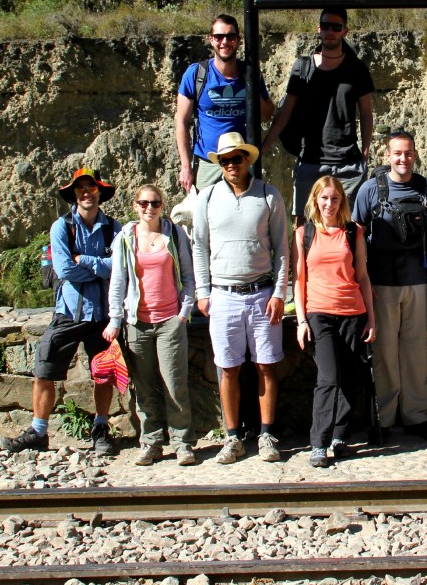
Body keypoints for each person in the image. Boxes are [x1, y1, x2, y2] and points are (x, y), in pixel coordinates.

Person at [4, 168, 123, 455]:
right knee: (44, 370)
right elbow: (64, 269)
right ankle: (39, 431)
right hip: (68, 312)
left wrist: (86, 261)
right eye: (81, 189)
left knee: (103, 374)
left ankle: (101, 427)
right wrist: (100, 268)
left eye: (91, 188)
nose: (86, 193)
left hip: (102, 317)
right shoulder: (62, 227)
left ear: (99, 193)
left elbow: (120, 268)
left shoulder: (114, 228)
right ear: (74, 194)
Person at [193, 132, 290, 463]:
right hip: (223, 295)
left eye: (236, 158)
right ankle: (232, 437)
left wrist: (279, 292)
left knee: (266, 364)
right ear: (219, 164)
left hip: (262, 293)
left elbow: (282, 249)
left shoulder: (268, 195)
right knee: (228, 368)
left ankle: (266, 434)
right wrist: (202, 292)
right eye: (224, 160)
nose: (231, 165)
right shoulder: (206, 199)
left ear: (247, 159)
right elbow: (198, 246)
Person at [351, 130, 427, 440]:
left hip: (418, 280)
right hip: (382, 283)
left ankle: (417, 416)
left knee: (416, 352)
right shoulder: (369, 191)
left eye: (408, 153)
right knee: (385, 352)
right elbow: (357, 235)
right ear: (386, 156)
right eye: (397, 153)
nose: (403, 159)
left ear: (415, 154)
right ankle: (385, 419)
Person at [107, 184, 197, 466]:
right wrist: (115, 319)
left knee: (175, 385)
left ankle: (182, 443)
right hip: (138, 323)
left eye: (155, 203)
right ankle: (152, 442)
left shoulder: (174, 234)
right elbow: (118, 281)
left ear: (162, 205)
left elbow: (188, 274)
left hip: (170, 320)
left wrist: (184, 312)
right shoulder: (125, 237)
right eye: (144, 203)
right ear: (135, 206)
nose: (149, 208)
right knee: (144, 388)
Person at [262, 7, 375, 221]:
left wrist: (365, 153)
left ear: (345, 31)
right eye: (325, 26)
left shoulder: (357, 68)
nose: (330, 31)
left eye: (336, 27)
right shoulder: (303, 66)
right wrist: (264, 147)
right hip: (310, 162)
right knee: (304, 227)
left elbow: (367, 113)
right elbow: (286, 111)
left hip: (347, 163)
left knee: (348, 228)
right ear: (318, 29)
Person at [294, 177, 376, 467]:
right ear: (316, 200)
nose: (329, 204)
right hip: (320, 313)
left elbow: (363, 277)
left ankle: (340, 435)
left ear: (342, 201)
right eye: (324, 198)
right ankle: (319, 443)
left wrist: (371, 318)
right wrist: (302, 320)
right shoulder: (304, 234)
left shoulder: (354, 232)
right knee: (328, 378)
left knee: (350, 377)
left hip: (352, 312)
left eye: (335, 199)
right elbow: (299, 280)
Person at [175, 14, 273, 193]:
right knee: (204, 216)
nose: (224, 42)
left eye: (230, 37)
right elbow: (181, 120)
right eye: (219, 37)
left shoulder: (250, 73)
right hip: (208, 161)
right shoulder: (196, 74)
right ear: (210, 39)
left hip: (242, 162)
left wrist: (252, 82)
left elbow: (267, 115)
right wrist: (186, 166)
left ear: (238, 40)